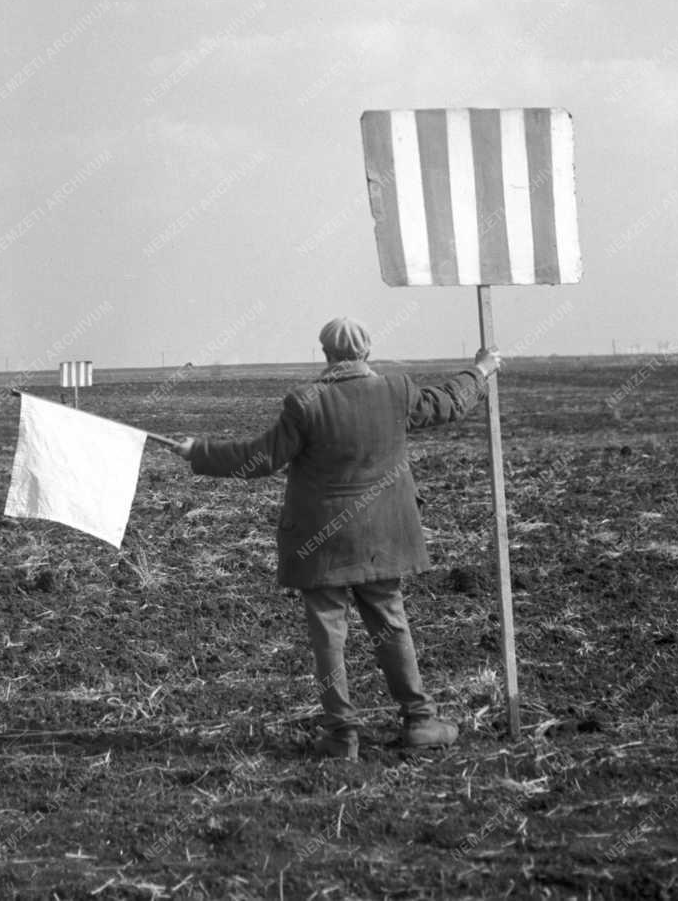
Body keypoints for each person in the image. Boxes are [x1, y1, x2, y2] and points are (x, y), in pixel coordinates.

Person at [172, 316, 501, 760]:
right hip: (383, 538)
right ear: (367, 351)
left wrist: (199, 452)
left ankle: (341, 734)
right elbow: (447, 403)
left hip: (321, 544)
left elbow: (258, 459)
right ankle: (420, 721)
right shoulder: (396, 390)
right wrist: (479, 370)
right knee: (391, 623)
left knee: (329, 635)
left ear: (325, 353)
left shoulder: (305, 403)